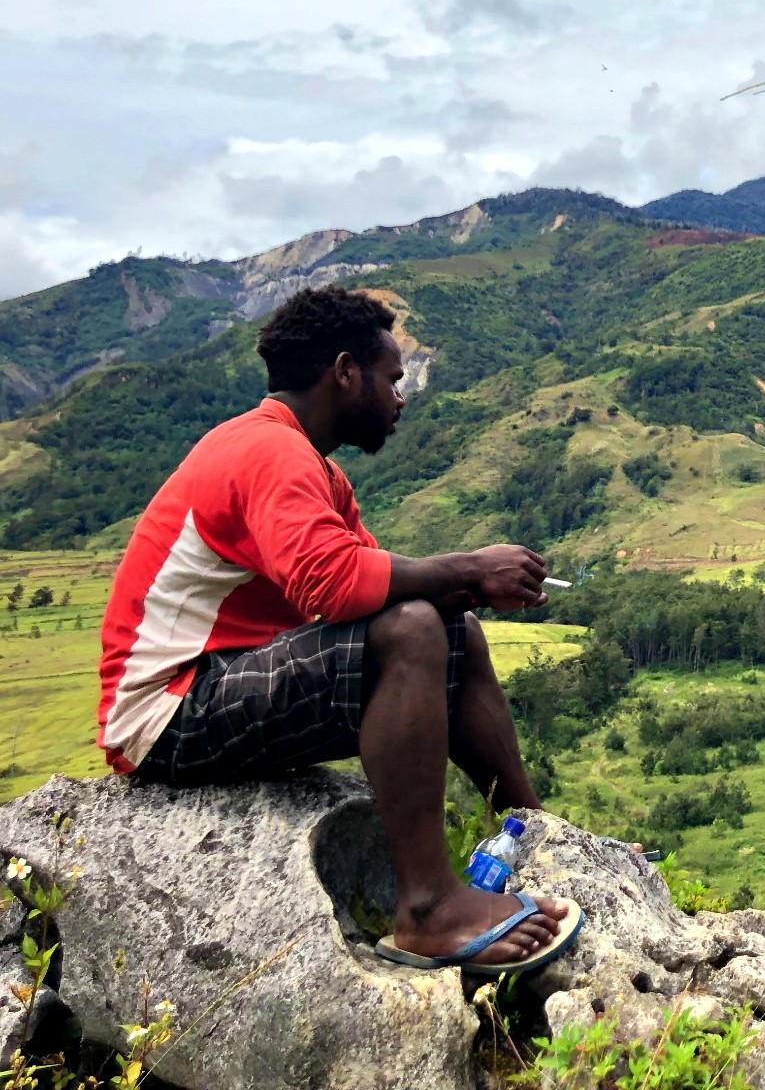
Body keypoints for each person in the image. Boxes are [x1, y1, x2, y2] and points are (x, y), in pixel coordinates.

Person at [97, 285, 579, 975]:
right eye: (392, 379)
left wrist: (468, 585)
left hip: (223, 683)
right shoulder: (268, 453)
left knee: (448, 623)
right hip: (167, 710)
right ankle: (427, 911)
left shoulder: (311, 468)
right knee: (413, 629)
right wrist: (470, 563)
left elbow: (368, 582)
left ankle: (540, 831)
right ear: (345, 371)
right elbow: (337, 586)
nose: (400, 398)